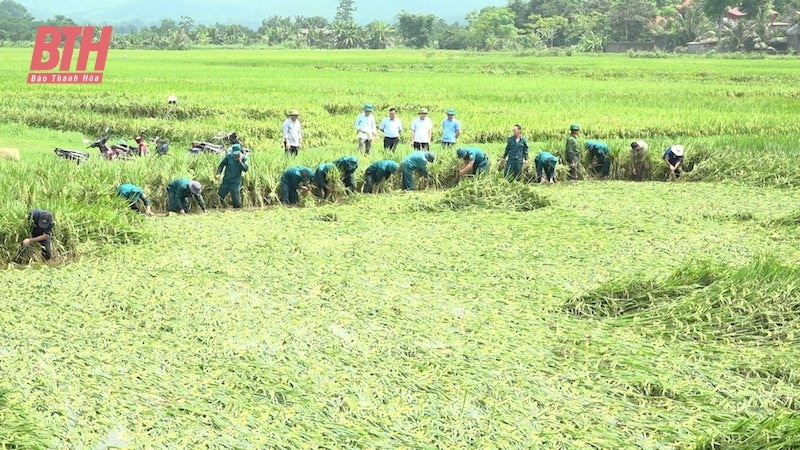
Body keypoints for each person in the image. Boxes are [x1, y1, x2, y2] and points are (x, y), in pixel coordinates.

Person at [215, 143, 249, 208]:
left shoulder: (244, 159)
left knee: (236, 202)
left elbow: (246, 169)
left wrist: (240, 161)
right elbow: (221, 165)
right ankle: (223, 207)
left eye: (237, 154)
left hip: (235, 182)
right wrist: (218, 173)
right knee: (220, 196)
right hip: (226, 180)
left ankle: (236, 212)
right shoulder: (228, 157)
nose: (236, 155)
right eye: (234, 154)